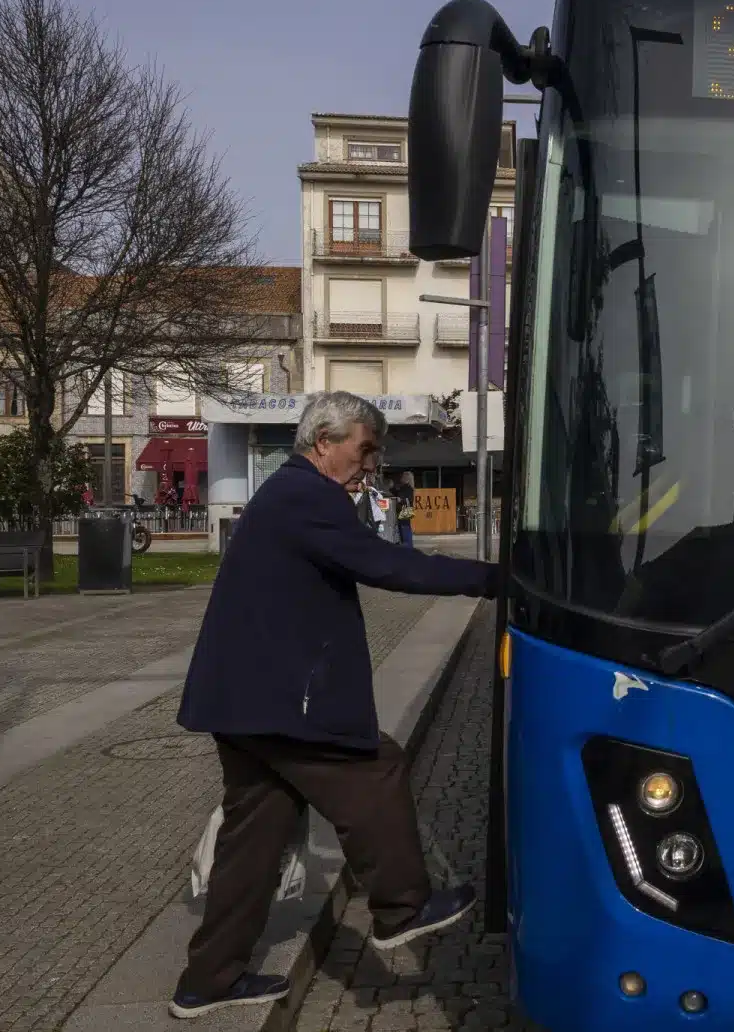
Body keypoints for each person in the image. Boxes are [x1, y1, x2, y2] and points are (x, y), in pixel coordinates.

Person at [169, 391, 497, 1020]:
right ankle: (402, 907)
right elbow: (383, 564)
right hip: (278, 701)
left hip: (242, 699)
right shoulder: (306, 495)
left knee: (254, 840)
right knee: (376, 767)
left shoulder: (294, 495)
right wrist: (487, 579)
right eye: (364, 447)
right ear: (324, 442)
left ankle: (206, 980)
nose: (369, 462)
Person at [392, 471, 417, 548]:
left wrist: (400, 499)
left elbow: (408, 499)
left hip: (405, 509)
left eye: (403, 477)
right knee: (406, 528)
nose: (401, 478)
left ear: (406, 478)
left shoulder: (406, 488)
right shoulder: (409, 488)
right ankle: (408, 546)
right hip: (407, 509)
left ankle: (408, 547)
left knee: (404, 529)